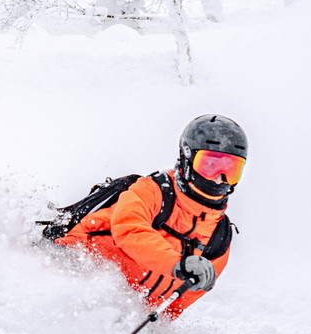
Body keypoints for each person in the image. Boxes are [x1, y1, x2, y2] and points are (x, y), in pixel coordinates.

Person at [53, 114, 247, 319]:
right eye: (210, 165)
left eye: (231, 170)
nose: (219, 179)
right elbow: (129, 230)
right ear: (188, 158)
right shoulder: (153, 191)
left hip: (122, 311)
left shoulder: (218, 237)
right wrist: (177, 264)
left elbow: (173, 307)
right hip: (72, 269)